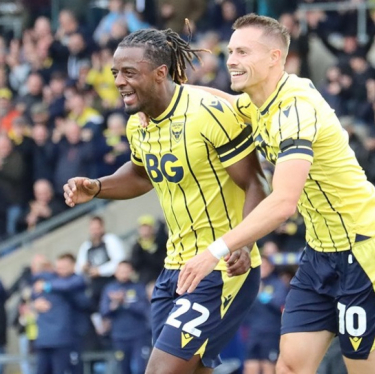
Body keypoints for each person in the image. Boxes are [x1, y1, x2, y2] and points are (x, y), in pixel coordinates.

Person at [177, 14, 375, 374]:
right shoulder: (259, 103)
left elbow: (284, 202)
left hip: (366, 253)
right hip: (320, 254)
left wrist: (215, 250)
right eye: (230, 51)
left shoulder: (295, 109)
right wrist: (166, 92)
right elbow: (220, 99)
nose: (232, 60)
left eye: (242, 51)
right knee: (288, 367)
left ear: (275, 58)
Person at [64, 27, 267, 374]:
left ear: (160, 73)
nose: (120, 82)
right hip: (174, 270)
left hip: (220, 268)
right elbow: (142, 175)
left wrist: (244, 245)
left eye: (130, 72)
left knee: (159, 371)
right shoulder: (138, 124)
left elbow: (256, 183)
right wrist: (97, 186)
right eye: (116, 73)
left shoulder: (209, 112)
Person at [100, 261, 152, 374]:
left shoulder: (138, 287)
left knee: (140, 368)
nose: (123, 274)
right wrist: (114, 304)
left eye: (126, 271)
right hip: (119, 336)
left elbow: (145, 309)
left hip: (139, 335)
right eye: (121, 271)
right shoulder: (110, 288)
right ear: (115, 273)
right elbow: (103, 312)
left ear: (131, 272)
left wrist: (126, 302)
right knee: (122, 368)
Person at [243, 256, 288, 374]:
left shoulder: (277, 284)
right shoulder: (251, 284)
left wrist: (263, 294)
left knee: (268, 367)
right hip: (253, 333)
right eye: (260, 266)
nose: (262, 269)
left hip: (270, 333)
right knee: (250, 366)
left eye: (265, 266)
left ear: (271, 267)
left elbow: (280, 304)